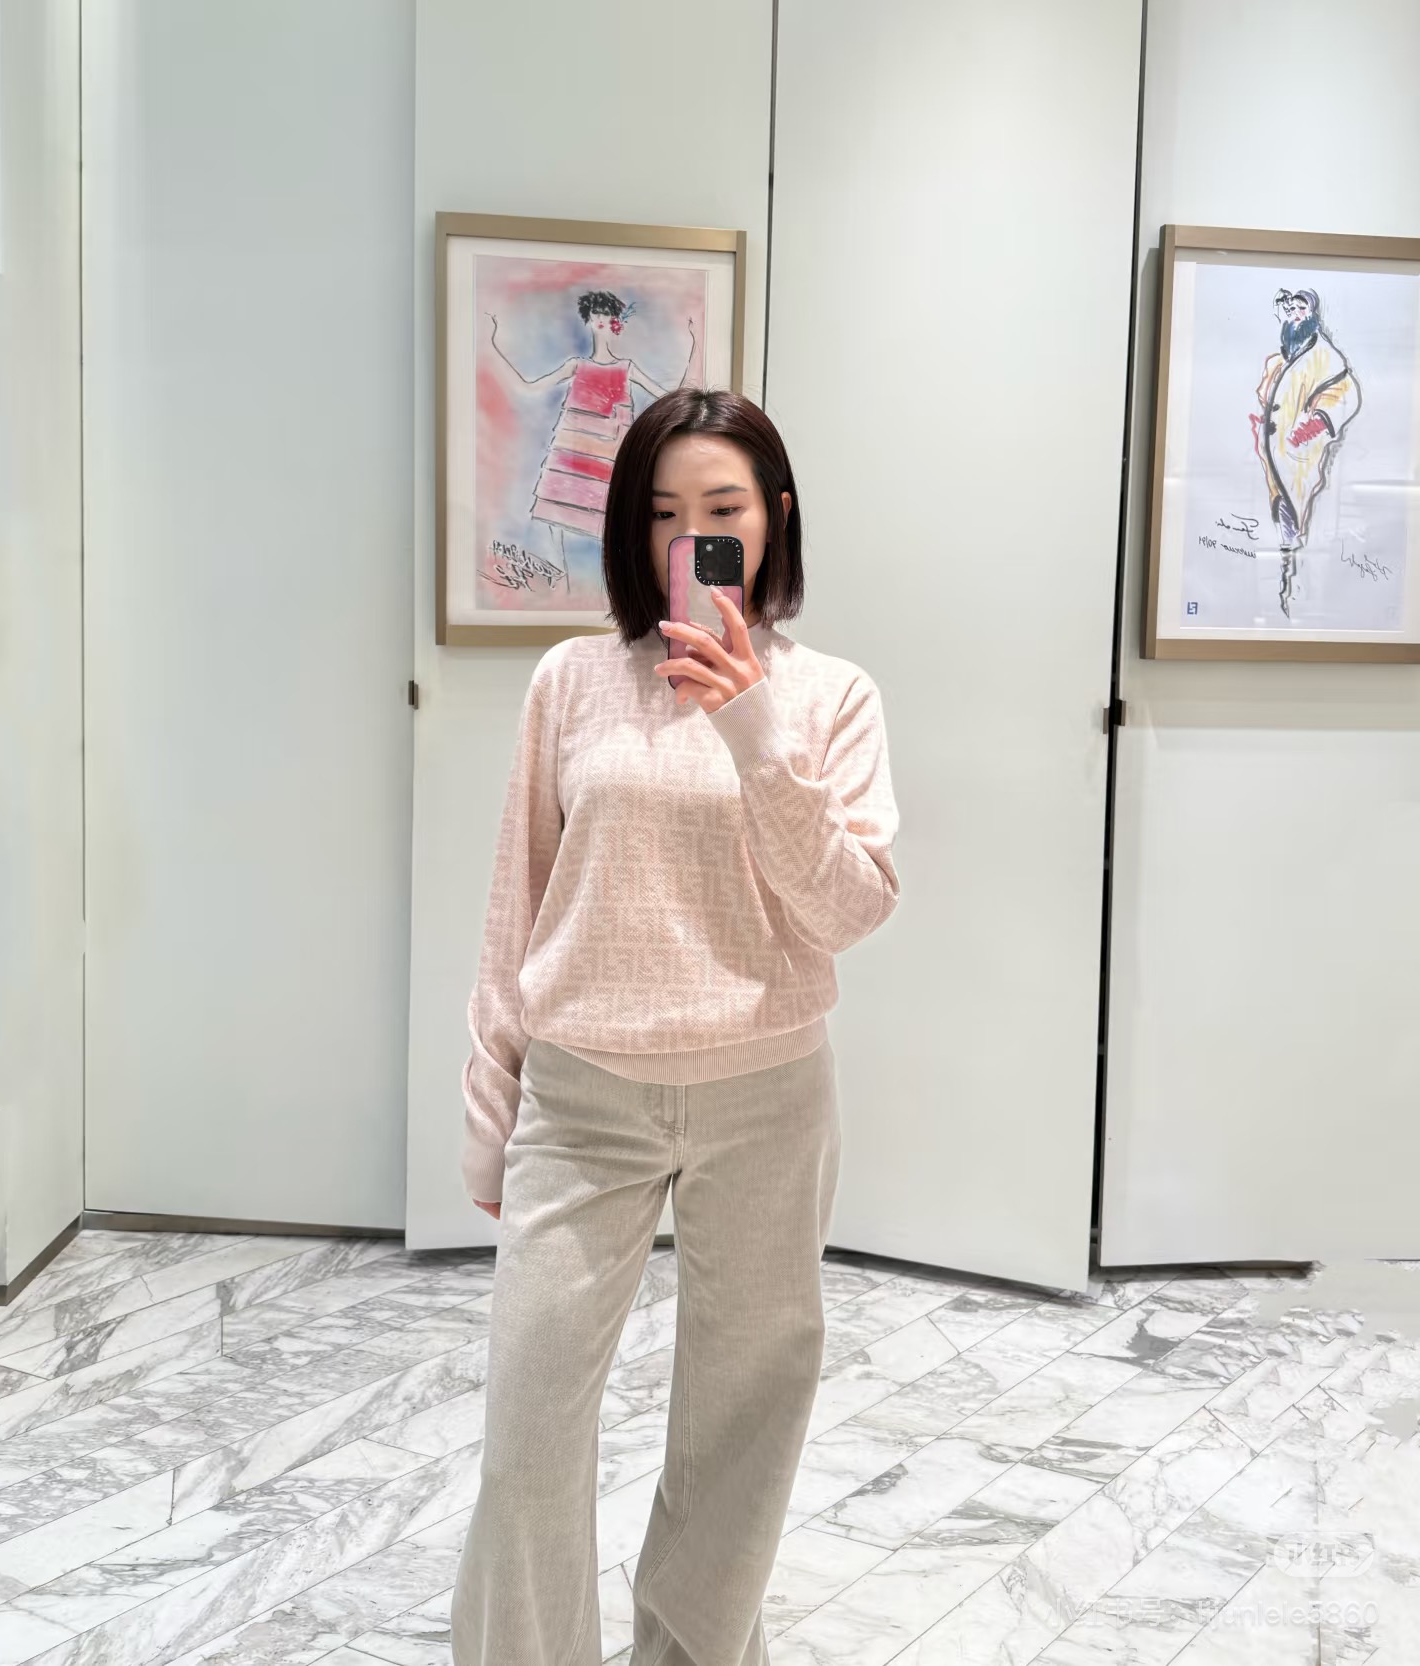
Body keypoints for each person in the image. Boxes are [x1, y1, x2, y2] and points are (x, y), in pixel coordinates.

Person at [450, 387, 900, 1666]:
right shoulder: (571, 681)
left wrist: (753, 729)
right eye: (660, 514)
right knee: (529, 1427)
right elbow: (518, 899)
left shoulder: (832, 697)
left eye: (720, 509)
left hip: (768, 1098)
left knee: (744, 1421)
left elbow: (849, 908)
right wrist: (491, 1102)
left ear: (773, 521)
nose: (688, 538)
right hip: (581, 1095)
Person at [486, 289, 699, 592]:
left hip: (610, 463)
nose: (600, 319)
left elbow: (672, 399)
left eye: (606, 315)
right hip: (570, 461)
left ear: (616, 324)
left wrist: (695, 346)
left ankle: (609, 596)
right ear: (587, 320)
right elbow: (528, 387)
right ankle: (564, 593)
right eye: (595, 314)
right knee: (555, 524)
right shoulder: (576, 365)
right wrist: (492, 342)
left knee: (613, 533)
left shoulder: (626, 368)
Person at [1249, 286, 1361, 616]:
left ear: (1312, 313)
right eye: (1291, 309)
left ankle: (1295, 594)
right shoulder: (1281, 357)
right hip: (1273, 457)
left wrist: (1313, 427)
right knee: (1280, 520)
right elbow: (1268, 397)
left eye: (1302, 308)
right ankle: (1283, 591)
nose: (1295, 314)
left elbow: (1345, 392)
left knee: (1300, 521)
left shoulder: (1325, 355)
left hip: (1300, 457)